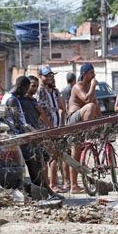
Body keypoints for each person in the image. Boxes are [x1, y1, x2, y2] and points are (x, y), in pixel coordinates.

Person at [67, 63, 102, 193]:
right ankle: (89, 134)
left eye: (94, 73)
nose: (94, 76)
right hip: (73, 120)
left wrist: (103, 122)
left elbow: (97, 107)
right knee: (90, 105)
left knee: (76, 154)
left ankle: (74, 186)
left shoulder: (89, 87)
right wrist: (93, 85)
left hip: (82, 121)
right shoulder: (77, 86)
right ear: (84, 74)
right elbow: (87, 101)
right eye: (91, 73)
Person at [36, 66, 68, 193]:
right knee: (51, 156)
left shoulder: (54, 91)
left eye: (51, 75)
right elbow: (41, 111)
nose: (50, 77)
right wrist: (50, 126)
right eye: (47, 75)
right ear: (41, 77)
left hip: (56, 125)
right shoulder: (41, 91)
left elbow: (61, 107)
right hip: (46, 127)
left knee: (56, 156)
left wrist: (61, 123)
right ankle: (52, 184)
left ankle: (55, 183)